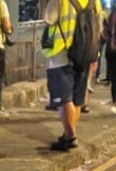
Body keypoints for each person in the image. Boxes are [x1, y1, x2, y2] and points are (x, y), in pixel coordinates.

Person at [42, 0, 102, 151]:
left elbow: (49, 19)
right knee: (77, 98)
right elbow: (98, 27)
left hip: (62, 52)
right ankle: (68, 134)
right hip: (85, 53)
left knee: (64, 98)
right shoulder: (95, 2)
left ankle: (71, 136)